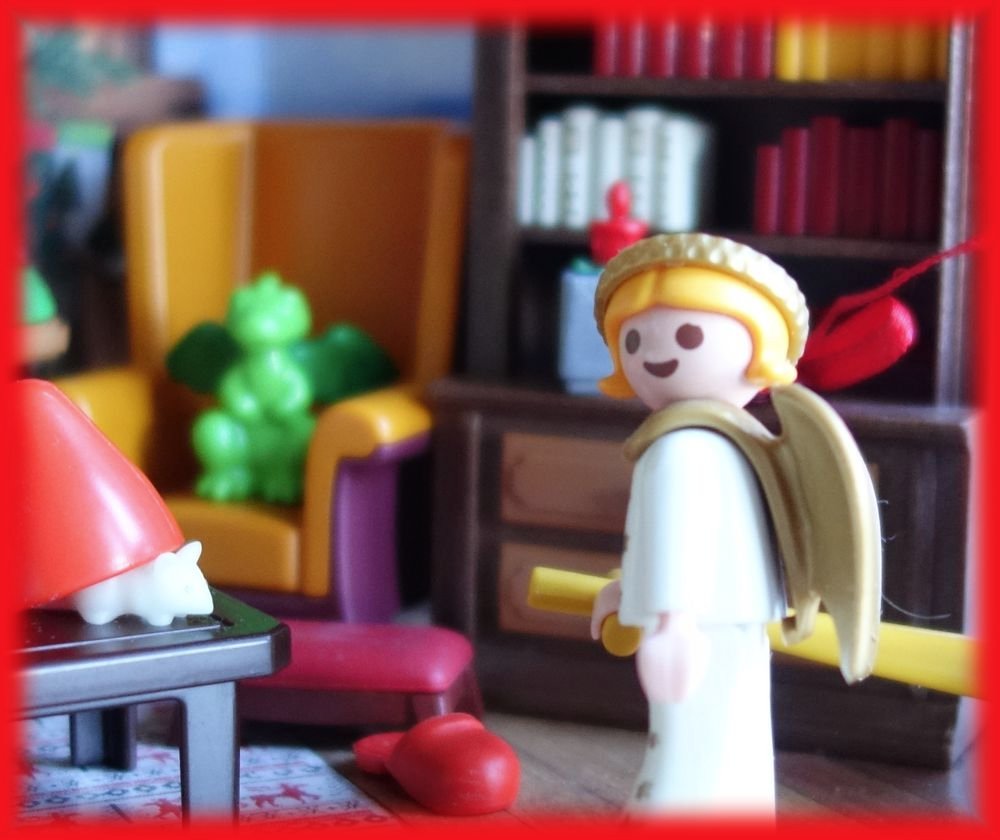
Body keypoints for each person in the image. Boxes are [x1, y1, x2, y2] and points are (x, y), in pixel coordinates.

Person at [589, 232, 810, 816]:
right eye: (633, 339)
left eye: (689, 335)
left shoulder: (682, 446)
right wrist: (631, 590)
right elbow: (693, 539)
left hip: (699, 622)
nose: (653, 354)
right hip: (730, 615)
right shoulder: (741, 439)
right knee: (732, 742)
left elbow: (681, 537)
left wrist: (672, 620)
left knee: (690, 755)